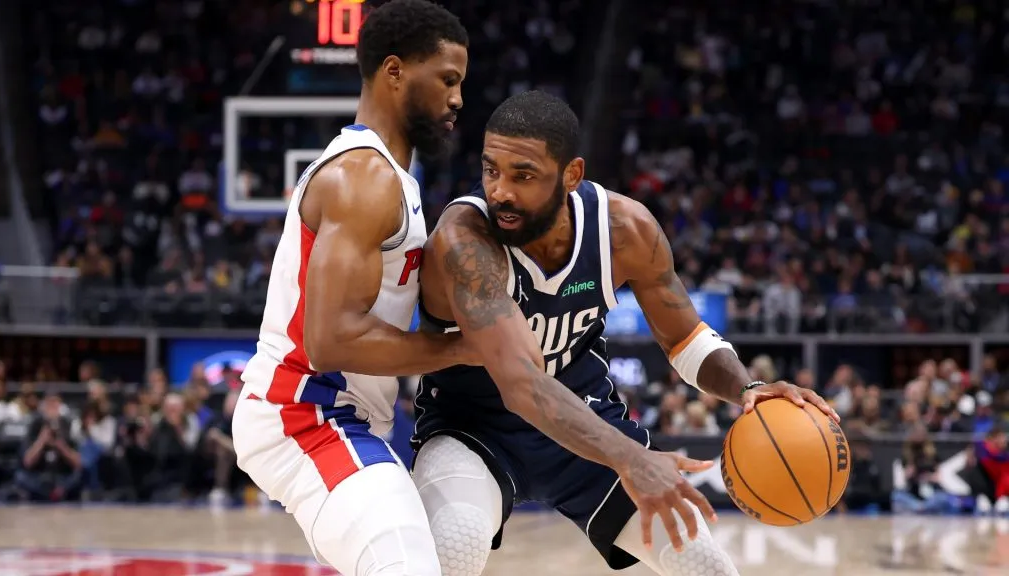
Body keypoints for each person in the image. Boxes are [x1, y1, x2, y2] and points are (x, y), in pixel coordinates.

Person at [411, 91, 839, 576]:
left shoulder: (625, 230)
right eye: (492, 170)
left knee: (706, 565)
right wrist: (632, 458)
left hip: (586, 420)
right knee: (455, 543)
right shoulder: (464, 240)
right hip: (473, 429)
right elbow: (521, 384)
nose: (500, 191)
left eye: (523, 175)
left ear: (571, 174)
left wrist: (748, 389)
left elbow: (686, 341)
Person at [230, 1, 473, 574]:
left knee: (449, 553)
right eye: (447, 80)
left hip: (356, 417)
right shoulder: (364, 176)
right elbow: (332, 342)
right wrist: (464, 349)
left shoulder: (396, 178)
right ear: (394, 72)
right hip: (304, 413)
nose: (458, 99)